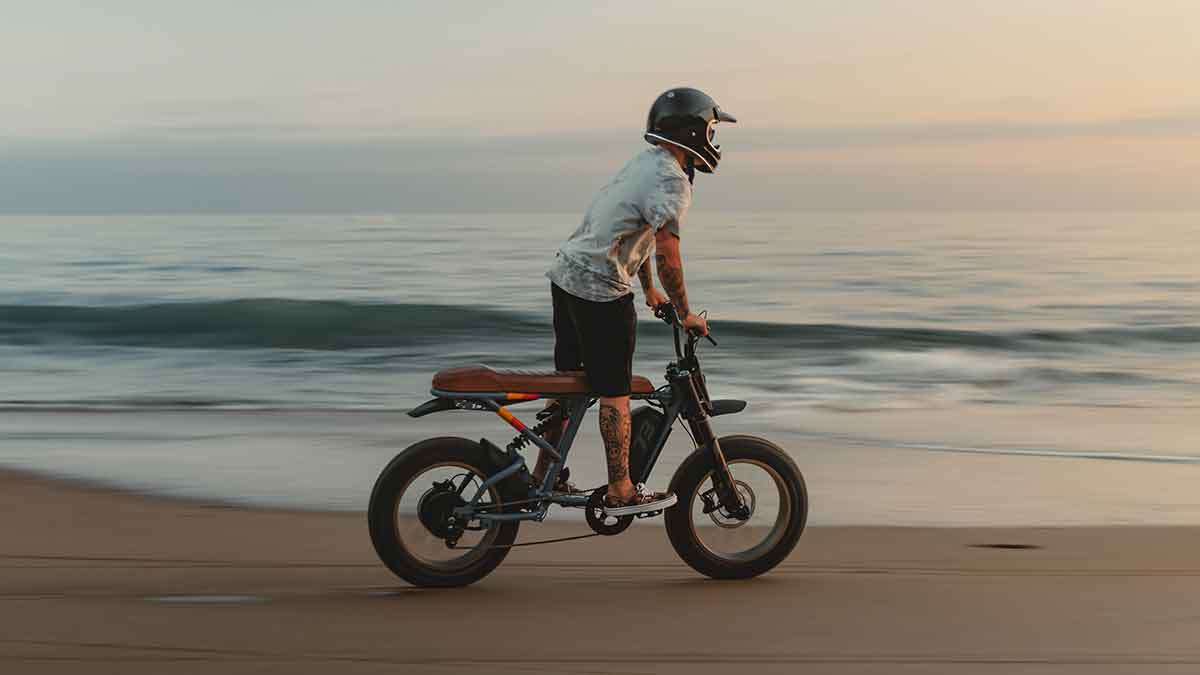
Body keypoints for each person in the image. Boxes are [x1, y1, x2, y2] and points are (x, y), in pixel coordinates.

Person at [536, 87, 737, 516]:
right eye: (712, 129)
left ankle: (542, 473)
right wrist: (685, 312)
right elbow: (666, 249)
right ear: (694, 130)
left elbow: (632, 232)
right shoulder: (673, 181)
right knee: (615, 392)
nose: (714, 140)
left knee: (570, 383)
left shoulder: (645, 163)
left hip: (567, 273)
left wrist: (648, 289)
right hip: (600, 288)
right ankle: (621, 489)